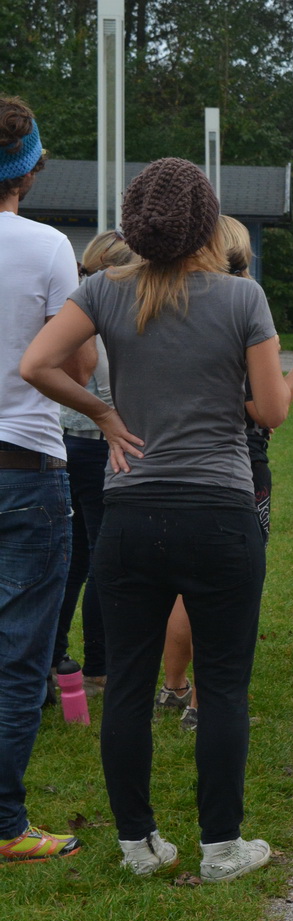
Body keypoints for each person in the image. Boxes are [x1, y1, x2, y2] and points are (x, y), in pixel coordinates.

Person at [22, 157, 293, 880]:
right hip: (220, 510)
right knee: (224, 683)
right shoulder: (242, 298)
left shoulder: (102, 289)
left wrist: (101, 409)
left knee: (127, 682)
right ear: (207, 221)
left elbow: (37, 362)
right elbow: (272, 412)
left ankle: (137, 843)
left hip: (132, 510)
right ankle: (222, 845)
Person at [0, 95, 90, 864]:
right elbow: (81, 361)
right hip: (24, 465)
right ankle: (4, 823)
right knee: (20, 650)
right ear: (29, 167)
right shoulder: (47, 247)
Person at [159, 216, 283, 733]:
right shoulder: (244, 298)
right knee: (230, 589)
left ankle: (174, 687)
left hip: (164, 462)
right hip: (236, 463)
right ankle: (202, 705)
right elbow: (263, 408)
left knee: (182, 587)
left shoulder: (167, 295)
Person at [51, 232, 133, 701]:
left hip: (68, 443)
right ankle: (100, 662)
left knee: (75, 556)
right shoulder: (108, 310)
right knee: (104, 558)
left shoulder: (71, 306)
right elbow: (103, 384)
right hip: (100, 443)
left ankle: (54, 651)